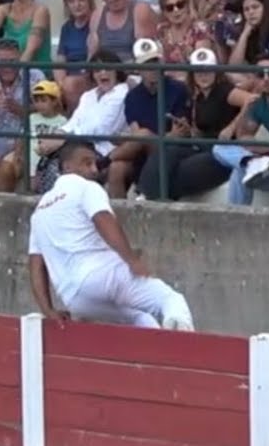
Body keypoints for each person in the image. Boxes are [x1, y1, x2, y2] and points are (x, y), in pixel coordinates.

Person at [28, 140, 196, 330]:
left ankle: (158, 346)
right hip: (103, 274)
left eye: (95, 163)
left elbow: (36, 264)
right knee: (170, 300)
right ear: (67, 166)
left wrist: (48, 310)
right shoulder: (86, 188)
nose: (94, 170)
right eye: (86, 163)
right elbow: (103, 220)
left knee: (139, 317)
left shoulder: (39, 211)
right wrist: (132, 260)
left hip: (75, 298)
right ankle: (184, 344)